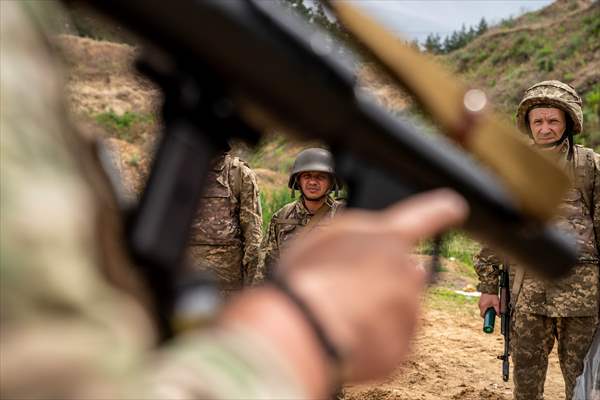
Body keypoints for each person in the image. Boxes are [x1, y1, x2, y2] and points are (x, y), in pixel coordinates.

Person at [0, 2, 468, 399]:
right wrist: (304, 332)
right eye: (305, 178)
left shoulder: (247, 177)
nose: (312, 185)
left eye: (319, 179)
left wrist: (255, 294)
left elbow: (250, 230)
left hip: (226, 278)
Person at [475, 80, 600, 400]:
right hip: (527, 294)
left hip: (582, 299)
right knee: (527, 382)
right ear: (529, 125)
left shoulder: (590, 166)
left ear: (568, 123)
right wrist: (490, 288)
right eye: (538, 121)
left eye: (553, 120)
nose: (545, 128)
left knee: (584, 383)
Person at [261, 148, 345, 278]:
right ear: (298, 181)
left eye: (320, 177)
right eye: (307, 176)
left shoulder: (345, 216)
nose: (312, 182)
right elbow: (267, 267)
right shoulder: (282, 217)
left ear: (331, 182)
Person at [187, 151, 262, 295]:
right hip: (187, 282)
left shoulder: (239, 173)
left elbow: (253, 236)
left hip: (228, 286)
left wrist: (251, 285)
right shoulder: (182, 170)